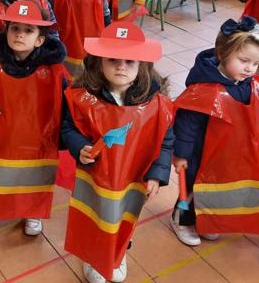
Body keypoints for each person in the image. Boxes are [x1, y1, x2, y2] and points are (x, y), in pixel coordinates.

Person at [61, 20, 174, 283]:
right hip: (96, 176)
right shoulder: (82, 96)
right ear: (99, 61)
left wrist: (157, 173)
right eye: (112, 59)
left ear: (142, 65)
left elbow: (166, 140)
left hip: (133, 178)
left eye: (130, 61)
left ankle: (118, 253)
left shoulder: (157, 104)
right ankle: (94, 256)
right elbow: (68, 128)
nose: (121, 66)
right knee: (95, 216)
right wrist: (79, 147)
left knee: (123, 218)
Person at [0, 1, 68, 236]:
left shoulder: (54, 72)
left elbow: (65, 105)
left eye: (28, 30)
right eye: (15, 28)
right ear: (6, 31)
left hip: (37, 139)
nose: (20, 35)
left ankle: (32, 211)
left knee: (33, 176)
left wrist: (62, 138)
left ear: (40, 39)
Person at [170, 17, 259, 246]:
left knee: (218, 189)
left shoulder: (253, 84)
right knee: (194, 188)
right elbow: (187, 125)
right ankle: (182, 220)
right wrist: (181, 154)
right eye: (244, 60)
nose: (250, 69)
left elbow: (258, 114)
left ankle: (208, 221)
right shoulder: (204, 88)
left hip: (230, 152)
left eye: (256, 64)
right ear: (222, 53)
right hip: (200, 152)